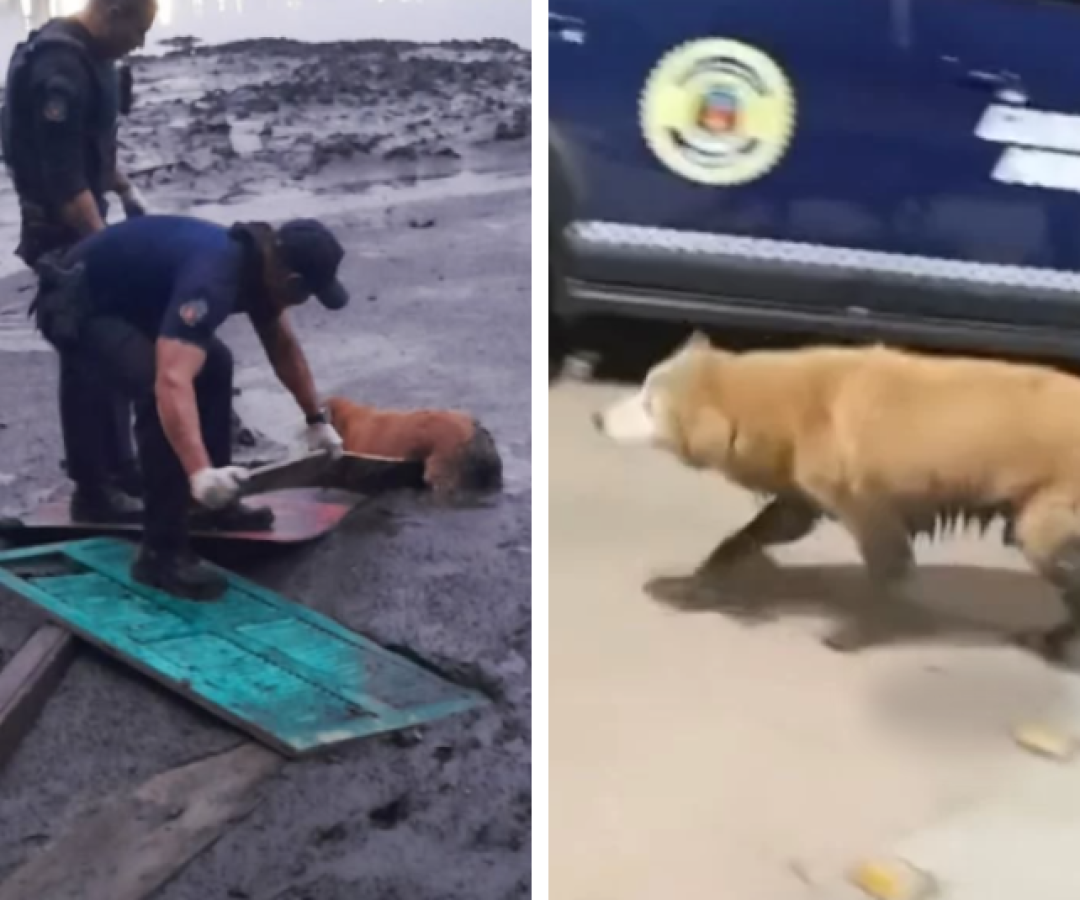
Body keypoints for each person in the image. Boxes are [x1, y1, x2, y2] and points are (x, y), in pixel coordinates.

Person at [33, 214, 349, 601]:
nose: (303, 302)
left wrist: (316, 420)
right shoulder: (212, 279)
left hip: (129, 300)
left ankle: (213, 507)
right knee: (157, 390)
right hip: (77, 303)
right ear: (292, 282)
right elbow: (172, 382)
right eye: (308, 294)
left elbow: (283, 347)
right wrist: (199, 470)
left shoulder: (262, 266)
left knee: (215, 365)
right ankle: (160, 554)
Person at [1, 0, 158, 522]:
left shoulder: (95, 59)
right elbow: (66, 184)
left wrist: (128, 194)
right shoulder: (58, 68)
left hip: (89, 221)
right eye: (137, 30)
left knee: (111, 342)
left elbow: (98, 147)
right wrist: (110, 248)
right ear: (112, 12)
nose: (139, 43)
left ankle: (122, 467)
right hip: (59, 234)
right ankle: (93, 489)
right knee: (85, 349)